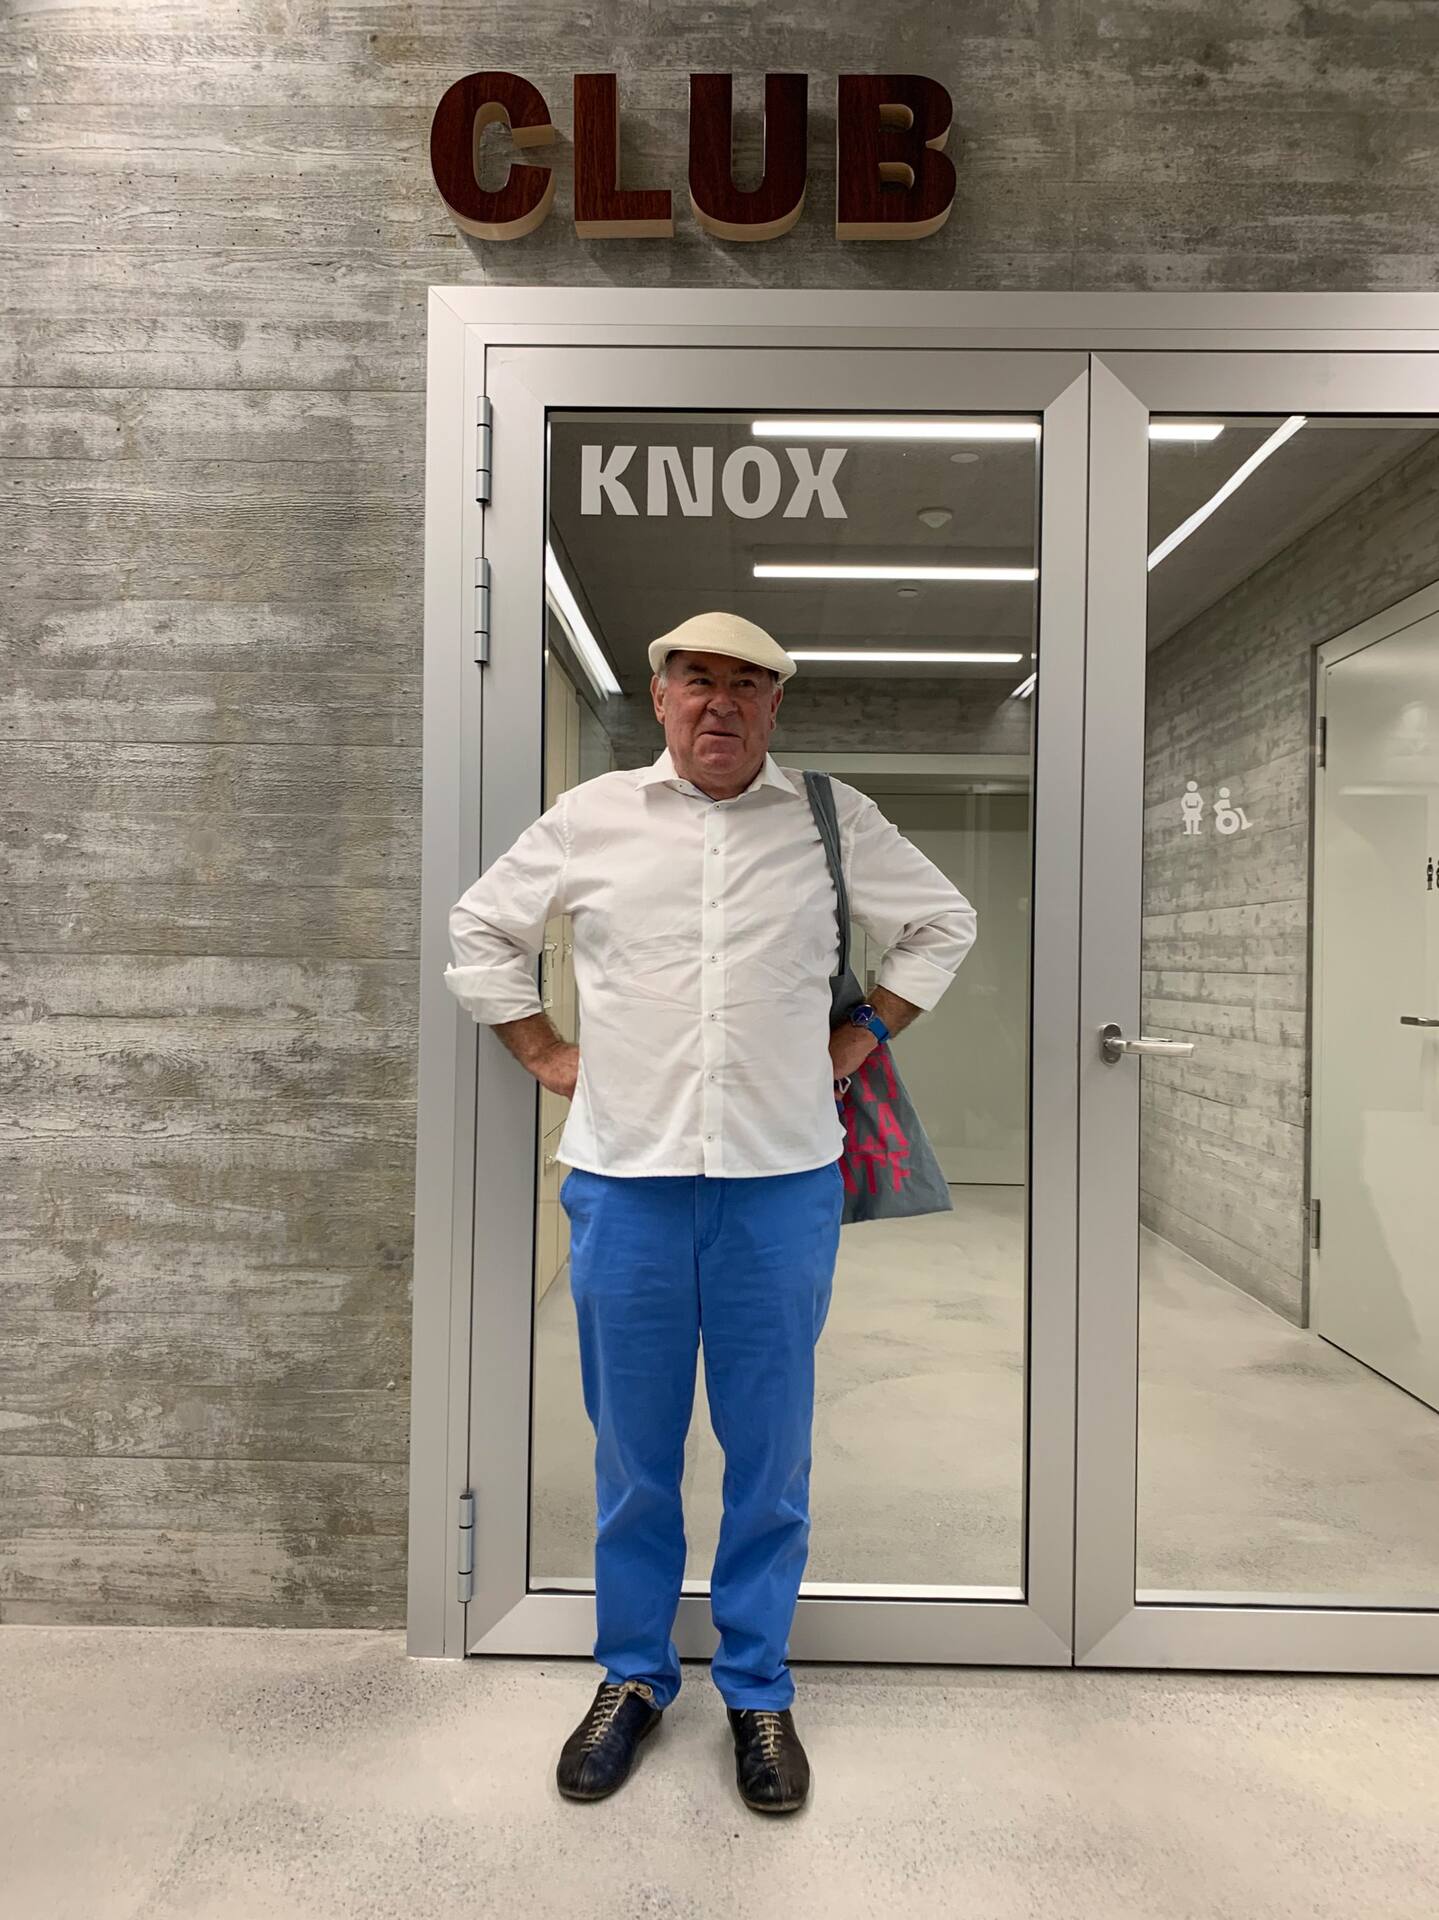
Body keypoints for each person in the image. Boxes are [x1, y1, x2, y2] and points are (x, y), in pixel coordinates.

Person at [443, 610, 977, 1815]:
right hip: (625, 1182)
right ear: (660, 695)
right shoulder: (590, 818)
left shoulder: (830, 821)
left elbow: (943, 921)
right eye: (696, 680)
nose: (719, 702)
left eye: (746, 684)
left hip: (780, 1184)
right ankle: (632, 1676)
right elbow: (479, 926)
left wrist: (864, 1031)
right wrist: (540, 1049)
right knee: (633, 1457)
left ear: (774, 705)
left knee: (767, 1457)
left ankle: (755, 1687)